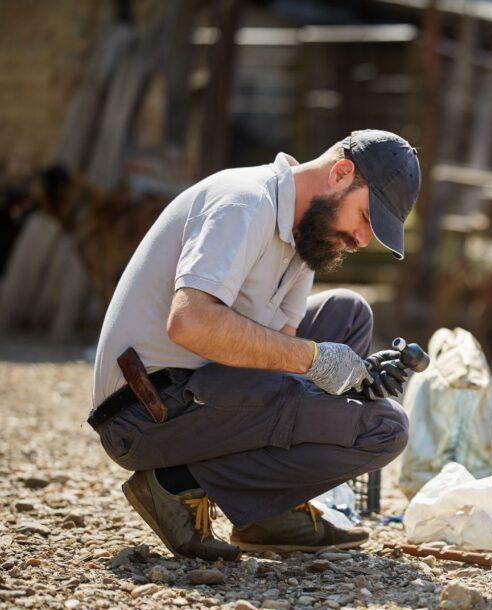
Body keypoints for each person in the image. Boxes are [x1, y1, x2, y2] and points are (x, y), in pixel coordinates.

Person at [86, 130, 421, 561]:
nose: (362, 239)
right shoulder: (244, 201)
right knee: (385, 429)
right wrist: (318, 361)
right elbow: (190, 323)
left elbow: (280, 355)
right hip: (143, 413)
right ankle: (172, 481)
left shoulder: (304, 238)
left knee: (349, 313)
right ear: (341, 173)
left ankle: (265, 515)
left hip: (202, 389)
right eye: (366, 218)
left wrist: (360, 377)